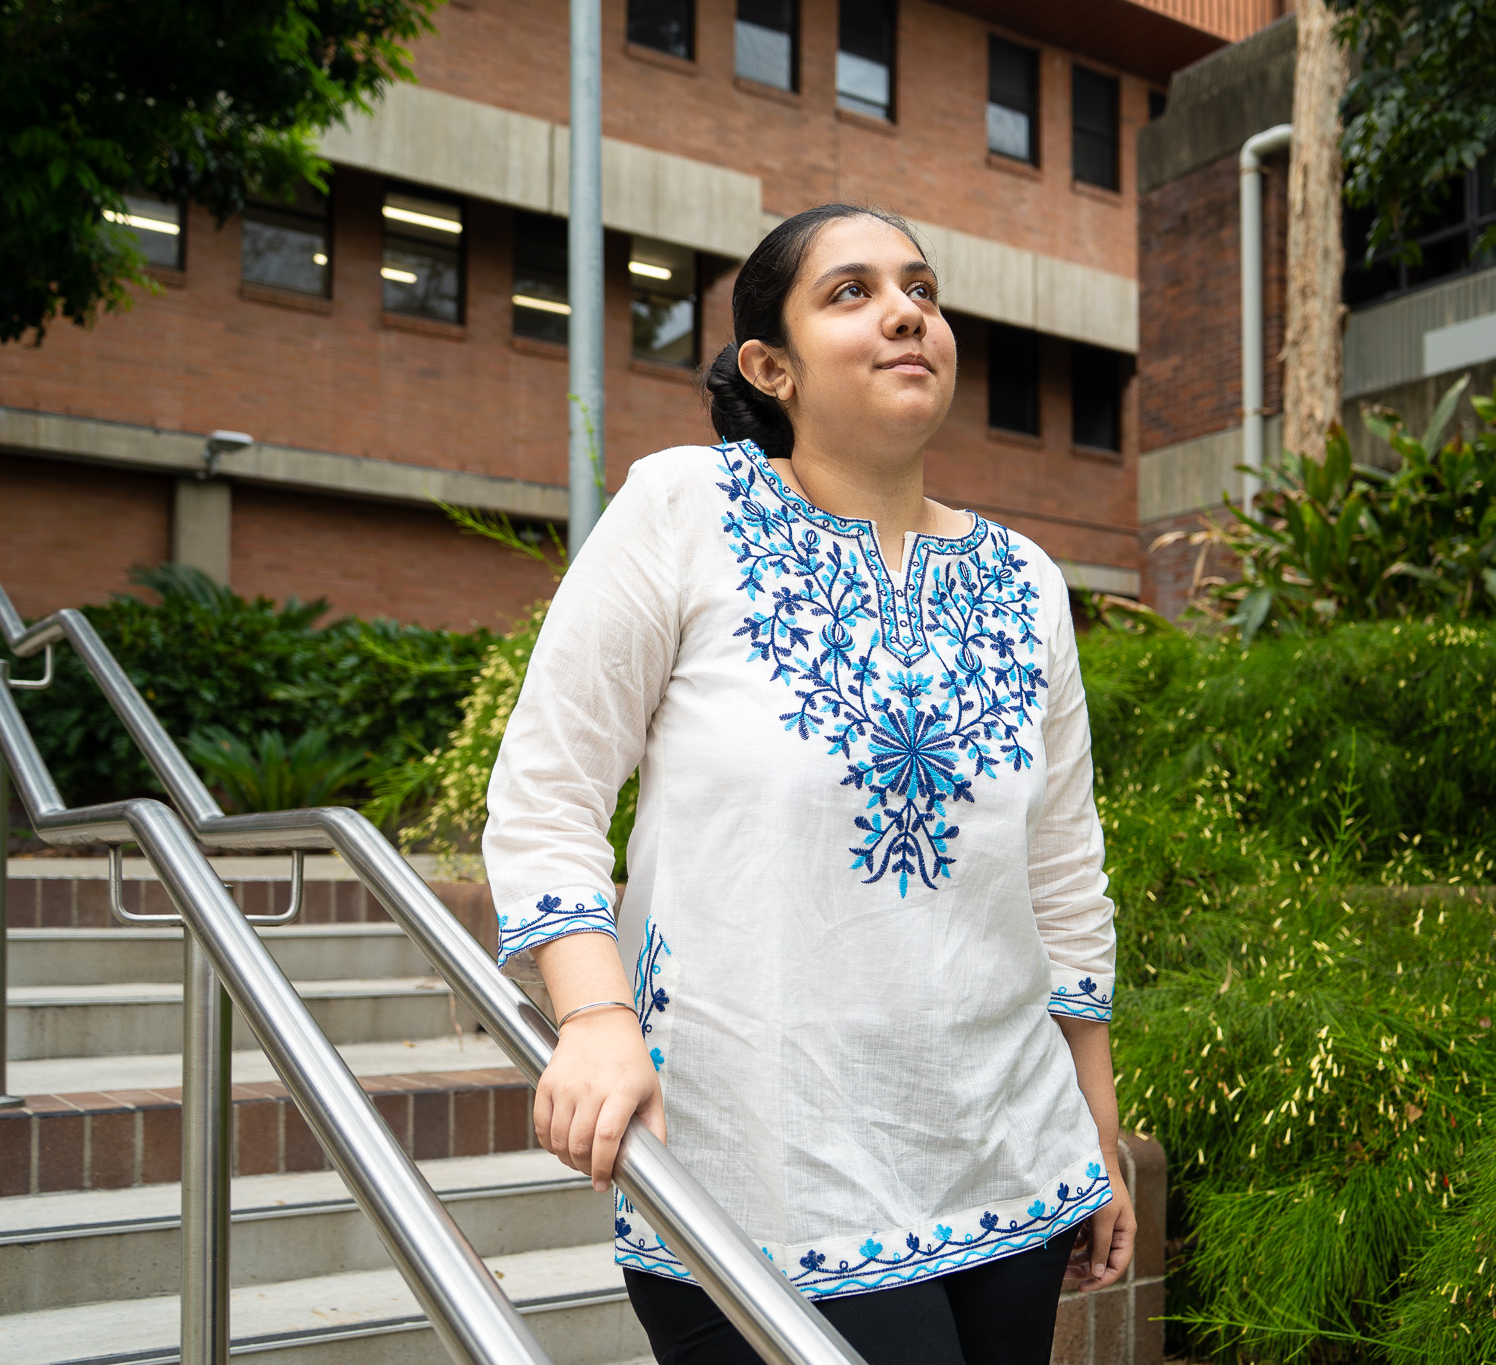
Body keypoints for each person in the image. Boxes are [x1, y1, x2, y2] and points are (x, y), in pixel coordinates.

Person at [483, 202, 1132, 1365]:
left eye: (921, 289)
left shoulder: (1024, 580)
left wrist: (1096, 1132)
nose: (905, 313)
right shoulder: (684, 511)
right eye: (852, 292)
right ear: (767, 366)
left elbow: (1061, 869)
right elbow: (547, 789)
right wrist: (590, 1016)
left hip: (1010, 1159)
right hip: (759, 1171)